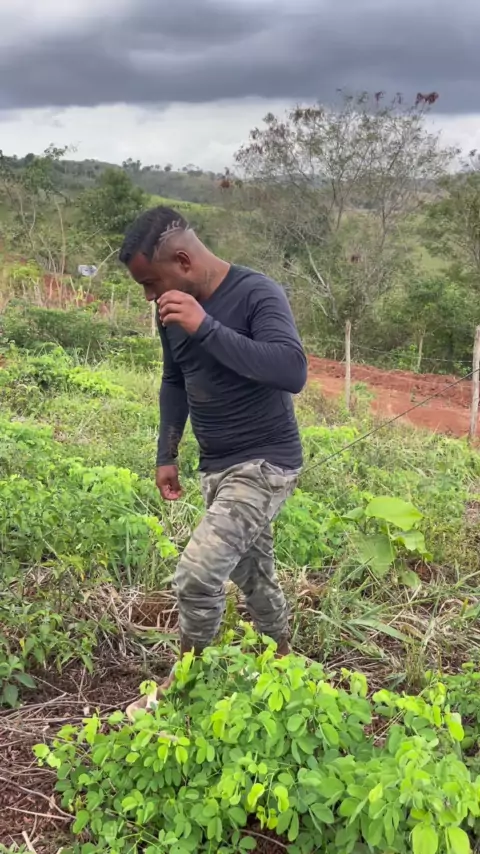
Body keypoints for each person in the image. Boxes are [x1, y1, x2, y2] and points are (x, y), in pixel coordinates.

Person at [119, 206, 307, 715]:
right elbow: (174, 379)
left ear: (183, 260)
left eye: (151, 282)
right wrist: (166, 452)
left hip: (265, 464)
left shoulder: (257, 293)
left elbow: (291, 370)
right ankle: (283, 661)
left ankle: (185, 683)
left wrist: (205, 326)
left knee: (198, 575)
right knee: (253, 573)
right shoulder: (171, 310)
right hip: (216, 466)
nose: (149, 296)